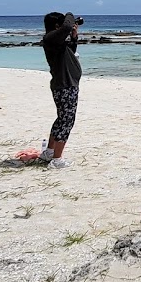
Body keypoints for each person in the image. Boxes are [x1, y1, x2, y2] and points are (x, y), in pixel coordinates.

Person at [36, 11, 82, 169]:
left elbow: (70, 50)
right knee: (66, 122)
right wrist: (69, 15)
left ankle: (50, 152)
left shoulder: (56, 41)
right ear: (57, 26)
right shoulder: (50, 38)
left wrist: (74, 35)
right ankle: (57, 159)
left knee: (61, 119)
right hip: (65, 86)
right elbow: (67, 25)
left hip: (66, 84)